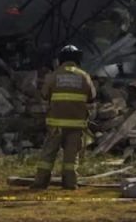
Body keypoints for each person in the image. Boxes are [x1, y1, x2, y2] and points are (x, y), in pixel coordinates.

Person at [32, 45, 96, 190]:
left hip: (56, 124)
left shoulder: (53, 76)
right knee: (71, 157)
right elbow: (92, 97)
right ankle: (70, 183)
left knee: (48, 155)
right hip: (76, 124)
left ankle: (40, 182)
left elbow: (44, 94)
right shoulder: (84, 76)